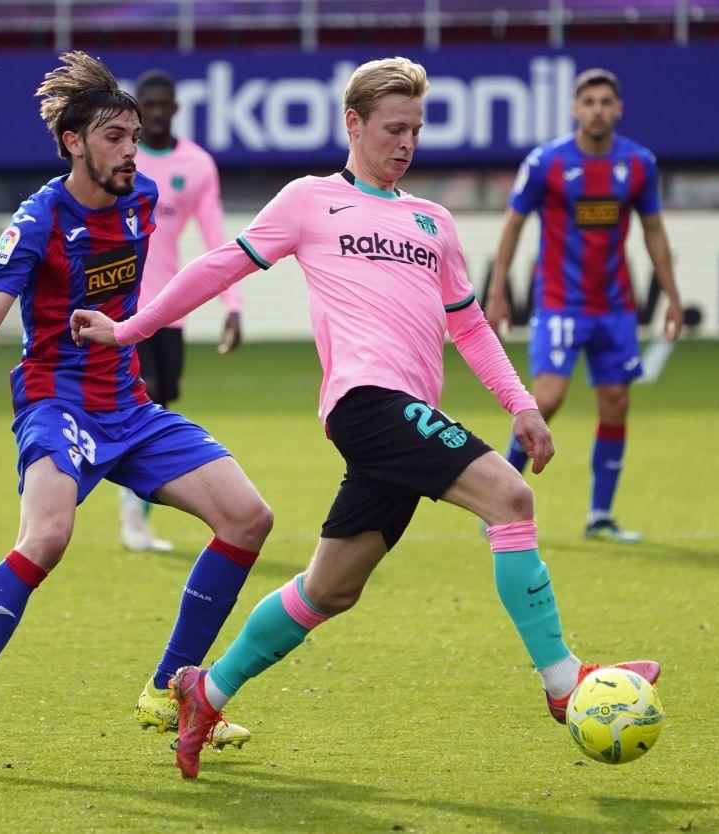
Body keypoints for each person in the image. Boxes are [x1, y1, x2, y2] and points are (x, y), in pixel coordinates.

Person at [70, 57, 661, 780]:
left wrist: (523, 406)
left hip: (409, 414)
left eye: (415, 128)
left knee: (330, 589)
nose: (406, 142)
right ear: (353, 124)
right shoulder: (311, 201)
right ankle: (563, 681)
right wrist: (129, 331)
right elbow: (218, 266)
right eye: (392, 128)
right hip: (366, 402)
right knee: (510, 498)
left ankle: (205, 691)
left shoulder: (432, 220)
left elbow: (469, 327)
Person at [0, 52, 266, 772]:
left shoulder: (141, 202)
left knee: (248, 518)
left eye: (134, 137)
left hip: (130, 406)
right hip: (57, 403)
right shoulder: (40, 216)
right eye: (115, 137)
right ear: (74, 141)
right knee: (47, 537)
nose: (131, 151)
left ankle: (170, 689)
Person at [484, 68, 684, 543]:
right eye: (588, 102)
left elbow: (653, 228)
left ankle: (600, 515)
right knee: (546, 401)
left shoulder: (639, 164)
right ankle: (497, 495)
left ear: (618, 109)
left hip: (615, 309)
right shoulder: (547, 163)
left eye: (605, 102)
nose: (597, 110)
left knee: (615, 406)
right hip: (559, 304)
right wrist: (497, 290)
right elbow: (513, 224)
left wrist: (672, 296)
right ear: (576, 109)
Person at [116, 69, 244, 553]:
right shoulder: (119, 155)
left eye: (162, 105)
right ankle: (131, 517)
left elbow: (216, 239)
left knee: (159, 408)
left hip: (170, 310)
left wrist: (234, 304)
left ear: (173, 109)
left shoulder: (196, 165)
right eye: (145, 105)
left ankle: (137, 514)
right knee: (139, 406)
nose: (154, 113)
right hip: (122, 308)